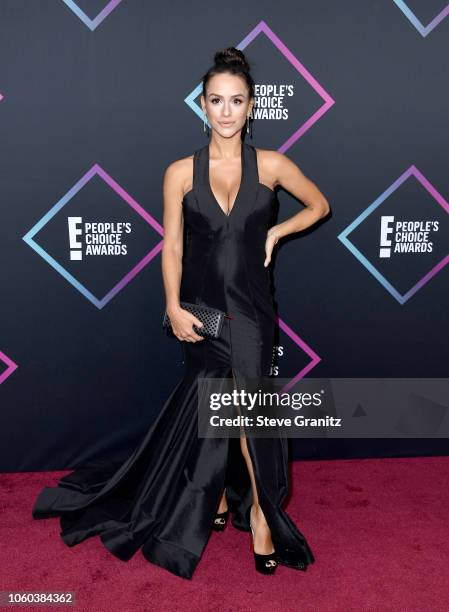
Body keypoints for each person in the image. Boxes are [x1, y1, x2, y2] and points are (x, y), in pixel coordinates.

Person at [32, 46, 330, 579]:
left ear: (252, 105)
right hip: (203, 308)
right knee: (214, 405)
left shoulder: (275, 165)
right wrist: (171, 306)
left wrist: (277, 233)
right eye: (216, 100)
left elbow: (320, 205)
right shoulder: (179, 173)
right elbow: (172, 247)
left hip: (254, 309)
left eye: (237, 101)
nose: (226, 111)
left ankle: (262, 512)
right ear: (202, 105)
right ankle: (216, 496)